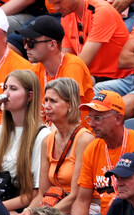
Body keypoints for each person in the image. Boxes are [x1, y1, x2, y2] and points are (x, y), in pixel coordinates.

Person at [73, 93, 134, 215]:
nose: (91, 124)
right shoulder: (92, 148)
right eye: (90, 117)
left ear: (118, 118)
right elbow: (82, 200)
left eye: (98, 118)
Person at [0, 69, 48, 212]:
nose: (6, 94)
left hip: (20, 208)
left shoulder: (42, 135)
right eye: (5, 88)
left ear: (30, 96)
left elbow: (34, 193)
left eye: (13, 89)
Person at [38, 78, 94, 207]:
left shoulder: (84, 139)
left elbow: (77, 196)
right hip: (53, 206)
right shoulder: (47, 141)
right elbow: (42, 194)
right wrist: (29, 211)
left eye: (53, 101)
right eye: (46, 100)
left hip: (78, 209)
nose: (46, 106)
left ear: (70, 105)